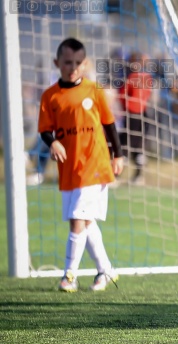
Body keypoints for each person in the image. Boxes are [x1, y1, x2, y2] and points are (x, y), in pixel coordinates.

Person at [37, 38, 124, 292]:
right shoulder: (50, 96)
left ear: (85, 64)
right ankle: (105, 270)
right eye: (67, 62)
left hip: (95, 166)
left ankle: (69, 276)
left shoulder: (94, 91)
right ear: (57, 63)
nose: (72, 67)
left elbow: (109, 125)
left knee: (77, 219)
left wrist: (118, 155)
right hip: (70, 169)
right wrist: (53, 143)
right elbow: (45, 131)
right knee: (86, 223)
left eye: (77, 63)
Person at [118, 51, 153, 185]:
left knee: (125, 146)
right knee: (138, 146)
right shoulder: (148, 77)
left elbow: (122, 95)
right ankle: (138, 176)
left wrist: (125, 107)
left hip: (132, 115)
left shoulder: (131, 78)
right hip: (143, 114)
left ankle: (117, 176)